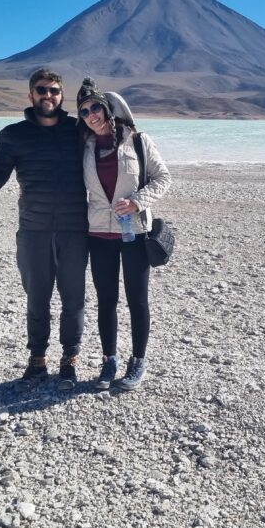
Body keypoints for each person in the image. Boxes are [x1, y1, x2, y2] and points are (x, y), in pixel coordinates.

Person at [0, 68, 88, 390]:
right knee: (37, 298)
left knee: (74, 299)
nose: (48, 96)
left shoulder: (79, 131)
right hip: (33, 231)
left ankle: (69, 362)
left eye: (54, 91)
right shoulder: (13, 135)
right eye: (42, 90)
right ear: (30, 95)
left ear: (62, 96)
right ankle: (37, 361)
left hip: (76, 231)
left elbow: (110, 149)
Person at [76, 78, 171, 390]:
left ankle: (138, 361)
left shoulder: (138, 142)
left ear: (107, 109)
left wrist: (138, 202)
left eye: (95, 108)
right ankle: (109, 360)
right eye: (84, 111)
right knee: (106, 300)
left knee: (137, 300)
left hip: (135, 235)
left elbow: (162, 178)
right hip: (98, 235)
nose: (91, 114)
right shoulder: (85, 147)